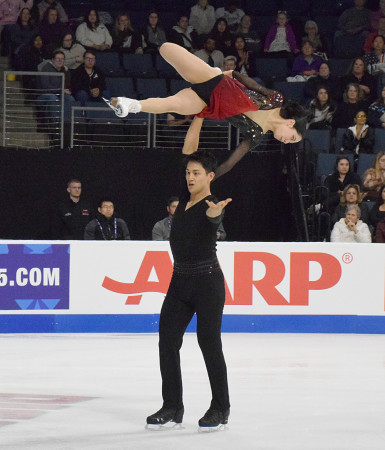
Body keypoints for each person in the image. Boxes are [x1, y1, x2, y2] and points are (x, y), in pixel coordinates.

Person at [105, 43, 307, 173]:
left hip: (205, 103)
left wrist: (210, 178)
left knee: (171, 103)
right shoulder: (275, 100)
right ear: (290, 123)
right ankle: (212, 69)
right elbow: (253, 84)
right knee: (165, 48)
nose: (287, 141)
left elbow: (230, 163)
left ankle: (130, 104)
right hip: (214, 81)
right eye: (292, 137)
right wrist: (230, 74)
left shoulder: (256, 135)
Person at [145, 150, 232, 431]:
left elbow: (212, 218)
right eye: (188, 173)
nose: (190, 177)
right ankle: (172, 406)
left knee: (209, 343)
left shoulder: (211, 203)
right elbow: (188, 149)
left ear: (210, 177)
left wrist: (215, 215)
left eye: (196, 173)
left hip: (207, 283)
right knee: (167, 341)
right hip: (179, 282)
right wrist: (198, 116)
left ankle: (220, 408)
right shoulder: (184, 199)